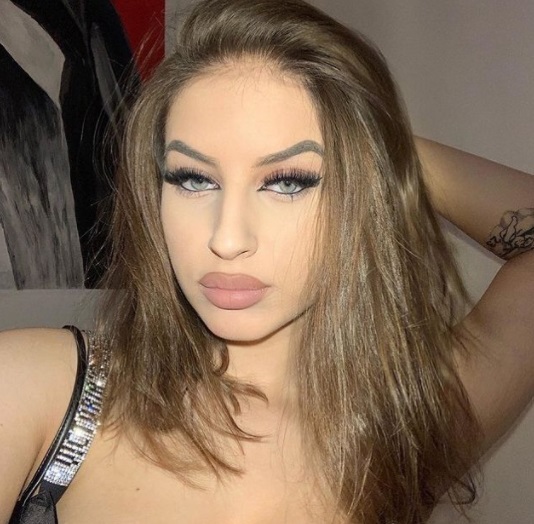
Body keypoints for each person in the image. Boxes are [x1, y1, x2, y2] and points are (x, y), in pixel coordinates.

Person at [1, 0, 533, 522]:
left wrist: (376, 145)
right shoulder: (32, 390)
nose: (227, 239)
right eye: (194, 178)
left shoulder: (408, 424)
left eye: (288, 181)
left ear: (361, 193)